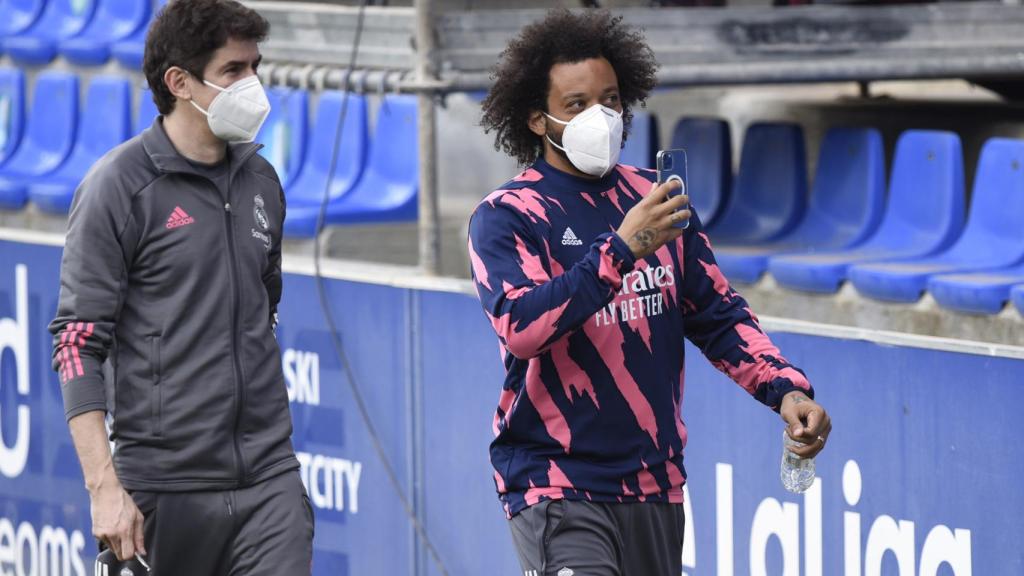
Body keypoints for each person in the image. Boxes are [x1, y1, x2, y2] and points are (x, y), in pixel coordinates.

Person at [470, 8, 832, 575]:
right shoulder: (508, 215)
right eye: (578, 105)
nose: (602, 117)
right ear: (538, 120)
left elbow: (716, 314)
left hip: (656, 483)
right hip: (556, 481)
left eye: (611, 100)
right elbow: (522, 328)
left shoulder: (656, 198)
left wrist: (786, 391)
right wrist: (620, 250)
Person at [48, 0, 313, 573]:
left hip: (269, 481)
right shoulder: (117, 187)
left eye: (255, 66)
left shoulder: (262, 179)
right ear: (179, 82)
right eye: (234, 71)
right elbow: (76, 344)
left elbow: (266, 306)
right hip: (161, 490)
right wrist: (104, 489)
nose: (254, 85)